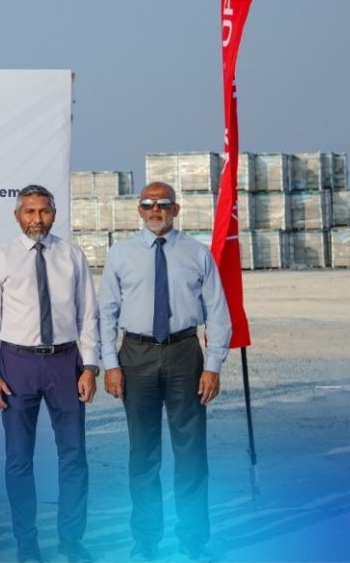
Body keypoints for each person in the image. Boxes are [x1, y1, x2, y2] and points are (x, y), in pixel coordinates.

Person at [98, 181, 231, 562]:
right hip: (136, 355)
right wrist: (111, 364)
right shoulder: (121, 253)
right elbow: (106, 312)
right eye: (148, 204)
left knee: (191, 453)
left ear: (176, 209)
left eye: (163, 204)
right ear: (139, 210)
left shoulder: (197, 253)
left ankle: (193, 540)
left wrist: (213, 366)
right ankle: (146, 540)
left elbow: (218, 313)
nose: (155, 210)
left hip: (184, 354)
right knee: (143, 453)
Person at [0, 184, 100, 563]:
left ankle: (71, 541)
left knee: (74, 455)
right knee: (19, 459)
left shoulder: (72, 255)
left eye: (44, 211)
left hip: (65, 363)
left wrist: (90, 366)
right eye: (30, 211)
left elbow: (88, 314)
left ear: (54, 214)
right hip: (17, 364)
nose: (37, 219)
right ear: (17, 215)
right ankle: (27, 543)